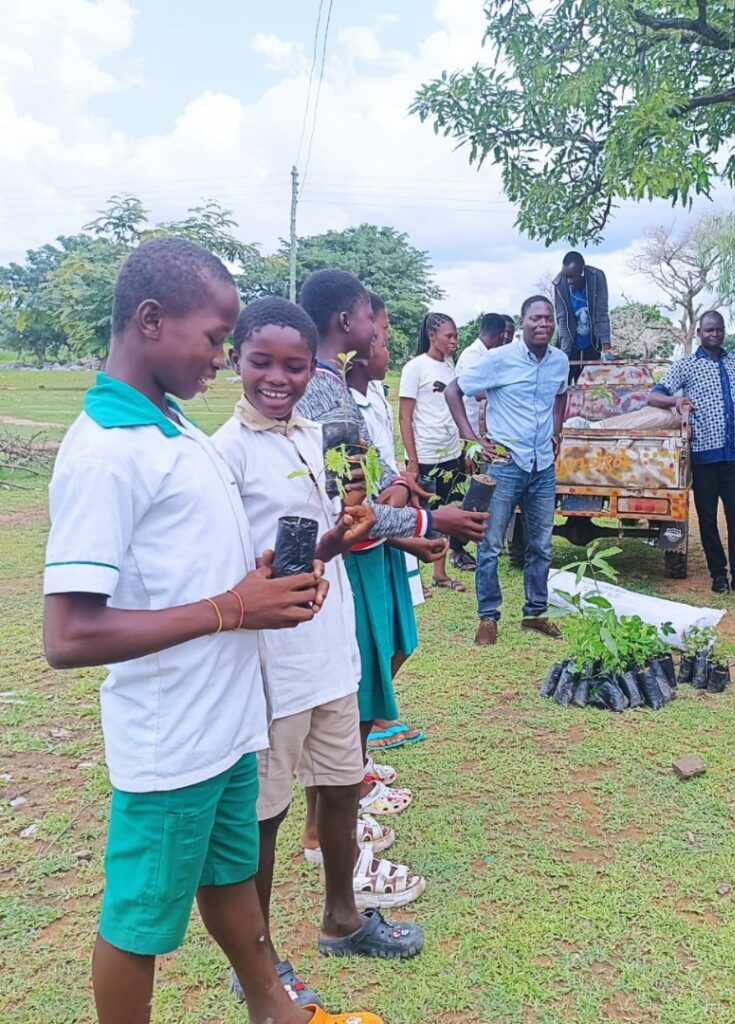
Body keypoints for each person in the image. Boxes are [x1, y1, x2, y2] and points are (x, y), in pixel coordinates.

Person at [41, 238, 381, 1024]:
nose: (220, 358)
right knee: (140, 921)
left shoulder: (174, 431)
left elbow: (199, 567)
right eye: (216, 338)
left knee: (230, 880)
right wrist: (234, 607)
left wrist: (271, 575)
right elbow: (68, 635)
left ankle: (274, 1010)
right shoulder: (106, 453)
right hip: (173, 740)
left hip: (229, 722)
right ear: (151, 320)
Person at [213, 298, 424, 1009]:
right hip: (271, 664)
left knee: (338, 785)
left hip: (331, 647)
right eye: (262, 362)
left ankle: (342, 918)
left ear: (313, 370)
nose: (278, 378)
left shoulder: (321, 438)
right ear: (236, 360)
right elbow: (240, 565)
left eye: (294, 366)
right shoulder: (226, 453)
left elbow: (335, 532)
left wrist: (363, 524)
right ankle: (259, 960)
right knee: (265, 816)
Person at [296, 271, 487, 829]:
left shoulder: (333, 387)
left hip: (365, 545)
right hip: (348, 559)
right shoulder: (327, 393)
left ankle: (342, 797)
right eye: (373, 326)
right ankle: (331, 820)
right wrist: (430, 517)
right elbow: (351, 506)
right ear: (347, 322)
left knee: (362, 677)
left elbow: (367, 490)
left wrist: (403, 508)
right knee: (350, 687)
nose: (381, 337)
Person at [349, 292, 446, 750]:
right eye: (383, 334)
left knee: (401, 637)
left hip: (389, 522)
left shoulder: (373, 391)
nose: (386, 344)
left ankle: (374, 717)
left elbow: (380, 461)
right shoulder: (339, 402)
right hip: (373, 534)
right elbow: (353, 502)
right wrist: (421, 523)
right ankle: (364, 731)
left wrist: (403, 484)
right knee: (373, 643)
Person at [444, 295, 570, 645]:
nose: (543, 324)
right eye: (536, 318)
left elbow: (562, 394)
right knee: (491, 544)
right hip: (505, 464)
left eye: (548, 318)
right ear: (522, 321)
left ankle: (535, 614)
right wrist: (471, 438)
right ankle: (488, 617)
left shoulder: (559, 361)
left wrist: (557, 430)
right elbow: (454, 391)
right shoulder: (499, 359)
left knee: (541, 545)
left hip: (542, 465)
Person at [647, 310, 735, 596]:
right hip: (703, 456)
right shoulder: (686, 365)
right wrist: (676, 401)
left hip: (734, 456)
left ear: (724, 331)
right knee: (707, 518)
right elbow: (654, 396)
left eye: (719, 329)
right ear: (699, 333)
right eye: (709, 330)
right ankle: (718, 575)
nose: (715, 334)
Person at [399, 312, 475, 586]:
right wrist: (413, 461)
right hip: (426, 455)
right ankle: (414, 580)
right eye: (449, 336)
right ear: (432, 336)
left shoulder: (450, 368)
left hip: (450, 453)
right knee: (423, 516)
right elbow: (405, 417)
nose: (454, 341)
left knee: (446, 511)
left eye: (456, 335)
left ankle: (440, 575)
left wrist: (464, 450)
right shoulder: (415, 368)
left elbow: (455, 411)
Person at [552, 251, 611, 383]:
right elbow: (562, 320)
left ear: (582, 272)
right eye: (567, 277)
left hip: (592, 342)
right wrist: (564, 355)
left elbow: (601, 313)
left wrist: (608, 349)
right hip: (569, 342)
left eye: (573, 277)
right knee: (563, 383)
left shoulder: (597, 278)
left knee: (591, 384)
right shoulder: (559, 283)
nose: (569, 281)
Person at [455, 312, 507, 435]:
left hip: (481, 425)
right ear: (501, 335)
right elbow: (478, 393)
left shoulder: (487, 354)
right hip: (470, 426)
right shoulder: (472, 355)